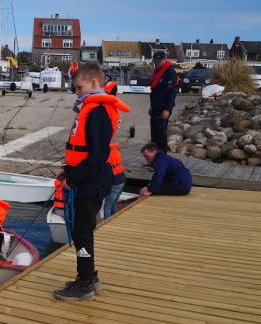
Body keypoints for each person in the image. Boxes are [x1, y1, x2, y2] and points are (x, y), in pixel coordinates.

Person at [52, 62, 129, 301]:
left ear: (93, 83)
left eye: (78, 88)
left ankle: (84, 282)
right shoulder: (91, 108)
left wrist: (73, 177)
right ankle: (89, 276)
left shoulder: (97, 111)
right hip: (88, 177)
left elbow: (97, 155)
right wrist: (68, 171)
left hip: (93, 180)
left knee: (82, 232)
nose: (76, 93)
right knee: (82, 230)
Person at [148, 50, 178, 151]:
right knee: (154, 135)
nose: (156, 62)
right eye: (155, 61)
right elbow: (155, 91)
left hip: (163, 108)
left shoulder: (170, 72)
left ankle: (162, 158)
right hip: (156, 107)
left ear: (164, 60)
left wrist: (167, 109)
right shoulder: (157, 71)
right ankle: (154, 158)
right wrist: (152, 106)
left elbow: (171, 93)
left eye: (158, 61)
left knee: (161, 135)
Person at [103, 143, 125, 219]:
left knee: (107, 206)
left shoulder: (106, 155)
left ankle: (106, 225)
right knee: (113, 204)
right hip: (122, 180)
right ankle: (115, 220)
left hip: (115, 183)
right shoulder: (116, 152)